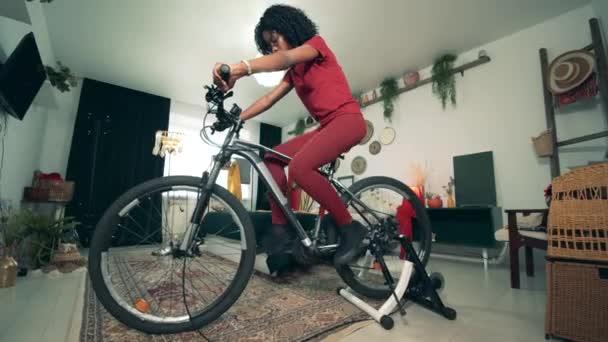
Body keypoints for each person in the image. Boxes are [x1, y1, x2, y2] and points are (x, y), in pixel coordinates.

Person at [212, 4, 366, 276]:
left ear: (291, 29)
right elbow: (269, 99)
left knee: (299, 168)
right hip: (327, 126)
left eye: (275, 40)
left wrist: (240, 68)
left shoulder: (315, 46)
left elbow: (285, 58)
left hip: (348, 120)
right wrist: (239, 119)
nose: (273, 49)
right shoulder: (293, 74)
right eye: (268, 46)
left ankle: (350, 227)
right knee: (271, 157)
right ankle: (281, 228)